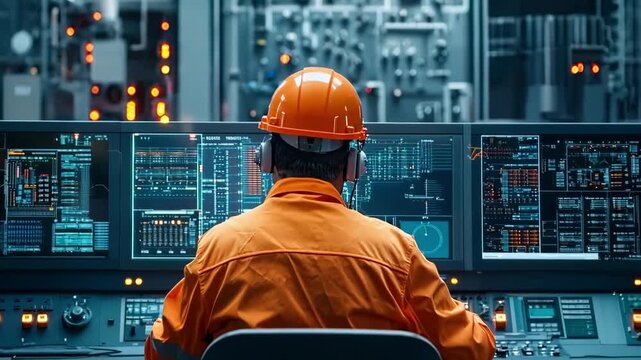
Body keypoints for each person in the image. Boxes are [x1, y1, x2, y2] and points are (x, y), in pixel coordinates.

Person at [145, 67, 496, 360]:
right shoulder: (396, 256)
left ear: (267, 157)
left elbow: (162, 351)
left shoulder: (219, 251)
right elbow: (474, 350)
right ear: (352, 165)